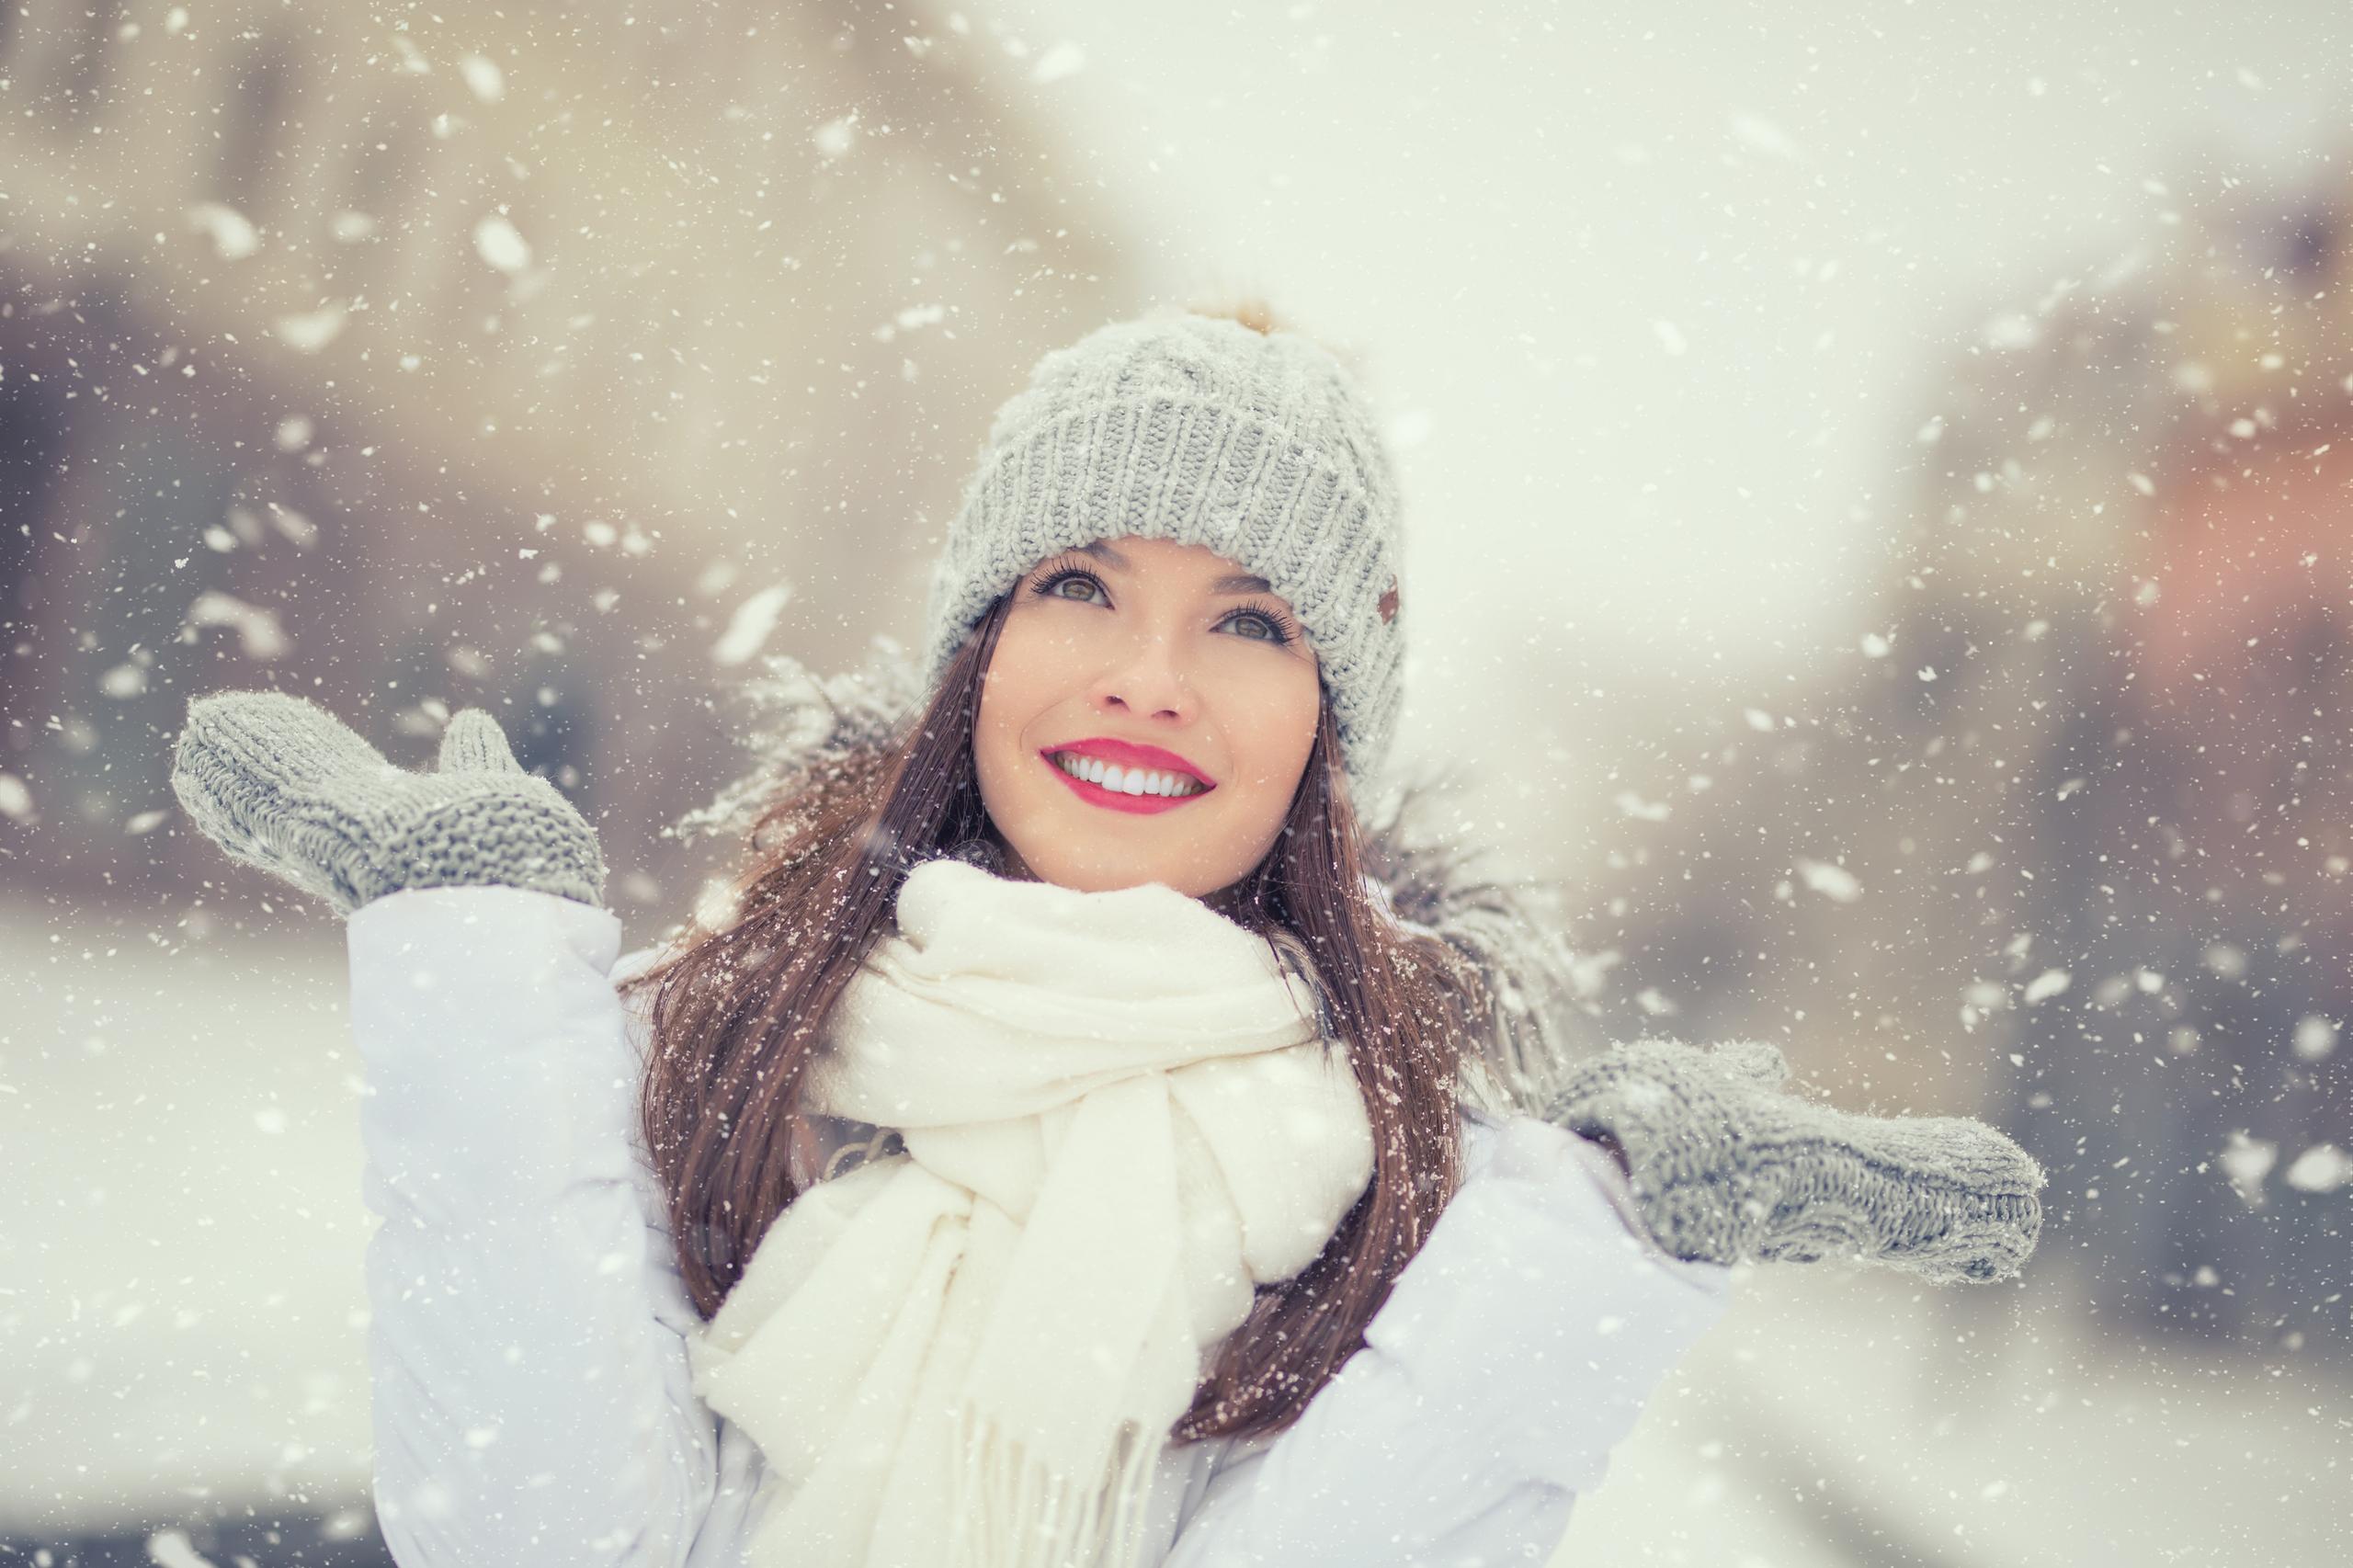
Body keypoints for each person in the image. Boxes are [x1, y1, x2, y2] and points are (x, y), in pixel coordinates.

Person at [169, 305, 2046, 1568]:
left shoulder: (1406, 1185)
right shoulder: (723, 1044)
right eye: (1080, 584)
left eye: (1248, 622)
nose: (1147, 682)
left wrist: (1613, 1231)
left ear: (1331, 722)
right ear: (978, 646)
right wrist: (478, 954)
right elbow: (541, 1532)